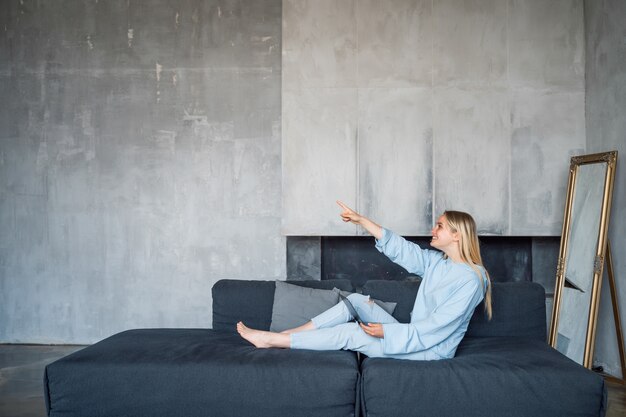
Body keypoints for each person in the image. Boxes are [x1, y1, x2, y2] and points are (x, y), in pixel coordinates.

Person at [237, 201, 492, 360]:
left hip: (430, 350)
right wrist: (361, 220)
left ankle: (272, 341)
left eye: (439, 226)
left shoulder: (471, 280)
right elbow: (402, 249)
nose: (432, 230)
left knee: (351, 333)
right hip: (410, 338)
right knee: (357, 301)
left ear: (457, 236)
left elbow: (437, 327)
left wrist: (388, 332)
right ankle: (286, 335)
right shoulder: (439, 262)